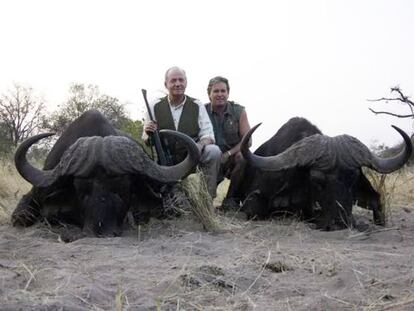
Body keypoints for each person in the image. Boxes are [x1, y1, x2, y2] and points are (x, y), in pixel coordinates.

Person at [143, 67, 222, 198]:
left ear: (186, 82)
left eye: (181, 80)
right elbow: (146, 140)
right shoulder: (154, 106)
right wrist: (148, 131)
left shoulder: (197, 105)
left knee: (213, 151)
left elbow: (208, 135)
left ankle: (206, 200)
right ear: (166, 84)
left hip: (191, 157)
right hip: (165, 162)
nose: (178, 83)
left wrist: (199, 146)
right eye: (173, 80)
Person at [204, 76, 251, 206]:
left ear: (228, 93)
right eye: (216, 91)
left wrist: (228, 154)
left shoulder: (239, 111)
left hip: (231, 159)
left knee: (243, 157)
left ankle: (231, 199)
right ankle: (206, 201)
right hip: (210, 159)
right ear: (209, 94)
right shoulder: (201, 111)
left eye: (223, 91)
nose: (220, 94)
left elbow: (248, 141)